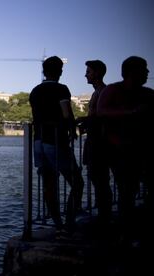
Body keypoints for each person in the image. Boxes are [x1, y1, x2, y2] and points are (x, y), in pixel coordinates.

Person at [97, 56, 153, 241]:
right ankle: (125, 232)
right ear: (131, 72)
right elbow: (102, 112)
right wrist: (132, 113)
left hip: (141, 148)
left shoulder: (147, 94)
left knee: (130, 191)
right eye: (144, 69)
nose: (148, 73)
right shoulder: (113, 90)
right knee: (126, 191)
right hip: (120, 149)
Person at [29, 56, 84, 231]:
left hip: (38, 140)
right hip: (55, 140)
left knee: (49, 183)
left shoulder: (35, 91)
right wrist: (72, 129)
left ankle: (57, 224)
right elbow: (66, 113)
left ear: (44, 72)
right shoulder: (61, 89)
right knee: (77, 182)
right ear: (60, 71)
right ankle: (69, 221)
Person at [81, 60, 112, 222]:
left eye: (89, 71)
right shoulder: (96, 93)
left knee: (100, 180)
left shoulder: (103, 92)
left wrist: (82, 120)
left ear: (97, 73)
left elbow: (101, 118)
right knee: (97, 178)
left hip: (99, 143)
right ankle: (103, 214)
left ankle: (104, 216)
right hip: (94, 142)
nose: (86, 74)